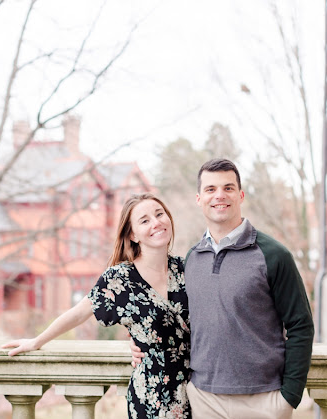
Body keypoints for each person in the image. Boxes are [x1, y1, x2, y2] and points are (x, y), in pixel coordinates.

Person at [132, 158, 314, 419]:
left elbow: (300, 325)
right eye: (210, 189)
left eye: (228, 188)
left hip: (263, 400)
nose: (219, 195)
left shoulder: (273, 255)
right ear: (199, 199)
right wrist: (139, 342)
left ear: (240, 195)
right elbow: (178, 323)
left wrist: (289, 396)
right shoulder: (192, 259)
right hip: (204, 399)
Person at [2, 193, 191, 419]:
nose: (156, 222)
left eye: (159, 214)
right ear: (132, 234)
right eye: (144, 220)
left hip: (199, 390)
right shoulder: (120, 279)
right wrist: (36, 341)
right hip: (153, 396)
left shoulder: (188, 268)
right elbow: (80, 312)